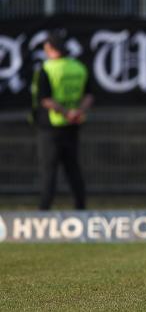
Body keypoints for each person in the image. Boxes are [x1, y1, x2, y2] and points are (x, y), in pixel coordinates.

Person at [30, 30, 94, 210]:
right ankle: (81, 208)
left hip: (51, 126)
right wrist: (78, 112)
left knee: (48, 171)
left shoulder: (48, 69)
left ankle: (44, 211)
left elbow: (45, 99)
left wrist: (66, 112)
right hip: (73, 125)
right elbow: (89, 95)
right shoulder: (79, 67)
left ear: (50, 48)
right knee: (73, 169)